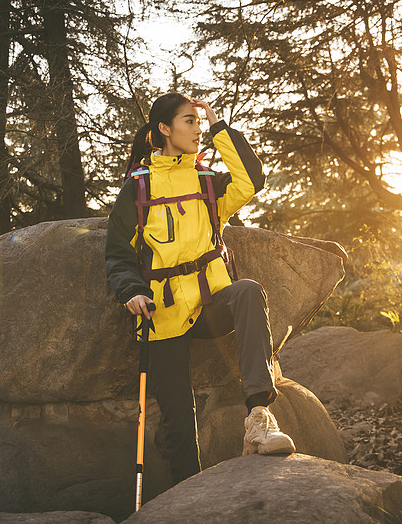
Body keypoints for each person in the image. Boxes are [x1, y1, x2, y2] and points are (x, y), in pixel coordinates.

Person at [105, 92, 295, 484]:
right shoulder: (138, 188)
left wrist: (219, 126)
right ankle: (187, 496)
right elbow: (117, 253)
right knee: (178, 422)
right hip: (162, 314)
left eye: (198, 121)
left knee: (247, 291)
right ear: (164, 129)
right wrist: (130, 292)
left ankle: (259, 420)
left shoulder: (208, 183)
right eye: (188, 121)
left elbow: (252, 180)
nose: (197, 128)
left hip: (211, 305)